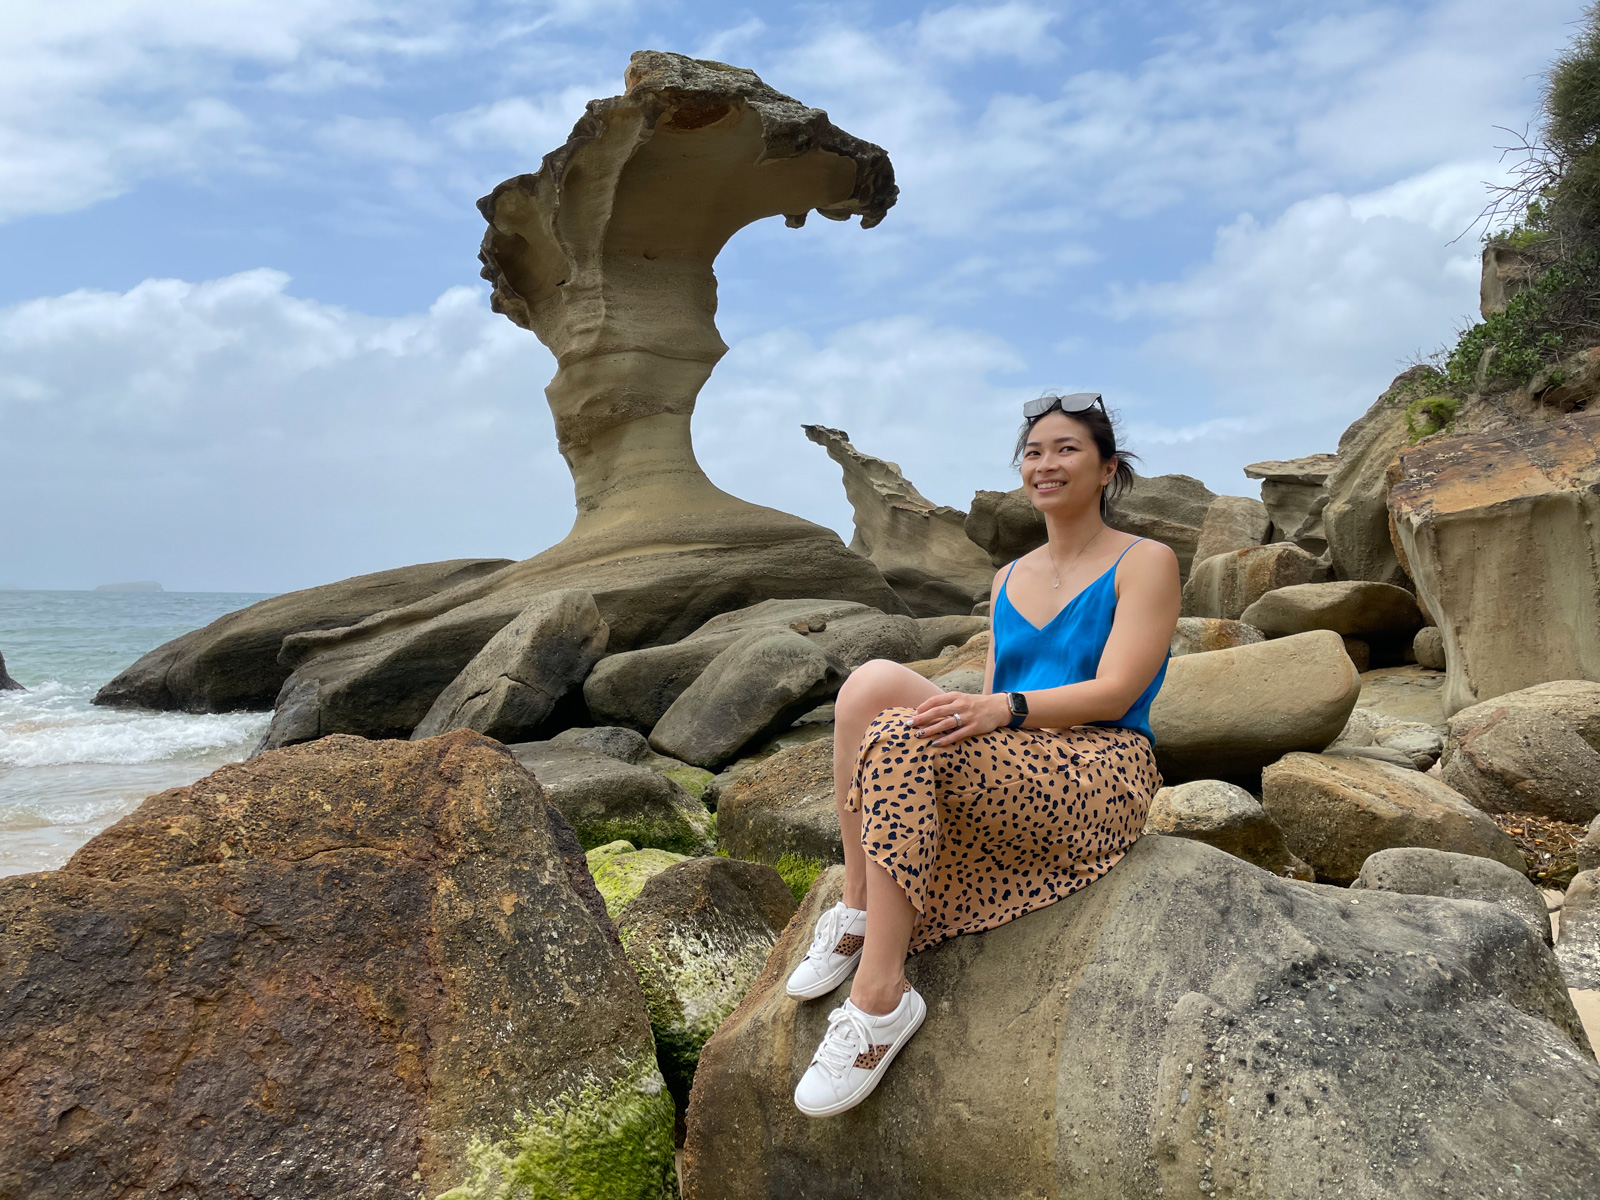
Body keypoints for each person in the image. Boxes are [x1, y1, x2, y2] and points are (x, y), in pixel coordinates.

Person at [787, 392, 1180, 1118]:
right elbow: (998, 695)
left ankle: (880, 1002)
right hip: (1020, 753)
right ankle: (858, 905)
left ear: (1106, 469)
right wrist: (990, 718)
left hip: (1102, 765)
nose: (1045, 463)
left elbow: (1118, 686)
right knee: (869, 685)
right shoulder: (1006, 579)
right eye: (1033, 452)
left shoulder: (1144, 561)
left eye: (1066, 449)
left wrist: (1000, 711)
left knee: (903, 736)